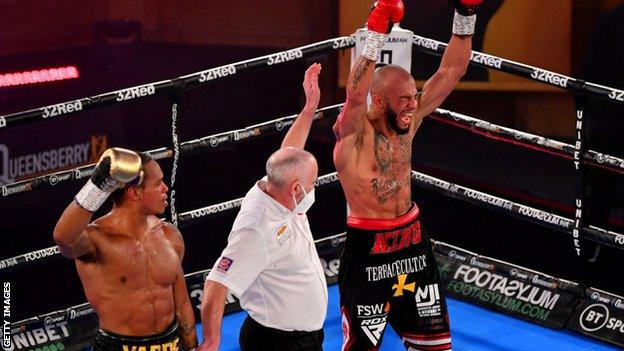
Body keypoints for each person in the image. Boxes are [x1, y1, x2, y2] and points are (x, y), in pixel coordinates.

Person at [332, 0, 481, 349]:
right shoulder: (354, 138)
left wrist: (466, 13)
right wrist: (375, 32)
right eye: (403, 99)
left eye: (414, 96)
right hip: (368, 253)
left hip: (413, 243)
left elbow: (452, 70)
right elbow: (354, 98)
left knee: (434, 346)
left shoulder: (410, 121)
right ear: (380, 100)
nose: (413, 105)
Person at [199, 63, 327, 351]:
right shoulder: (257, 228)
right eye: (312, 184)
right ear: (295, 188)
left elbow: (289, 154)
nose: (313, 189)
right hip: (276, 343)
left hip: (303, 338)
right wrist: (211, 341)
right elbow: (216, 283)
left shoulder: (276, 185)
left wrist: (309, 108)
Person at [53, 148, 198, 351]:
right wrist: (97, 186)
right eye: (158, 184)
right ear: (134, 193)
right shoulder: (98, 240)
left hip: (171, 344)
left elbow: (182, 305)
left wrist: (191, 347)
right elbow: (63, 239)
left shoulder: (168, 235)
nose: (166, 188)